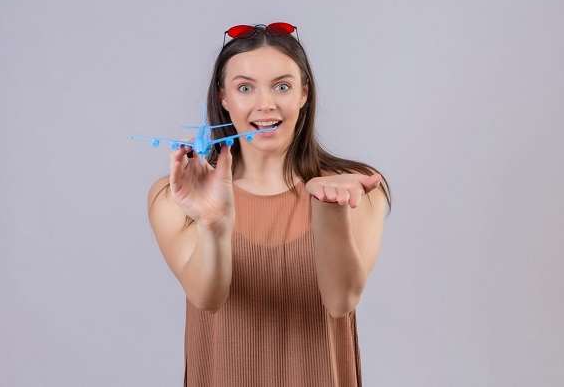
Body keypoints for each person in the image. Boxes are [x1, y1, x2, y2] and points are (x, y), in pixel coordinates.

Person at [147, 22, 392, 386]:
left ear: (303, 94)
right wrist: (213, 224)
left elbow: (342, 300)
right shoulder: (174, 197)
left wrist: (329, 208)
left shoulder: (358, 187)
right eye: (245, 88)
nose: (266, 104)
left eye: (282, 86)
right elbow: (207, 297)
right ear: (223, 99)